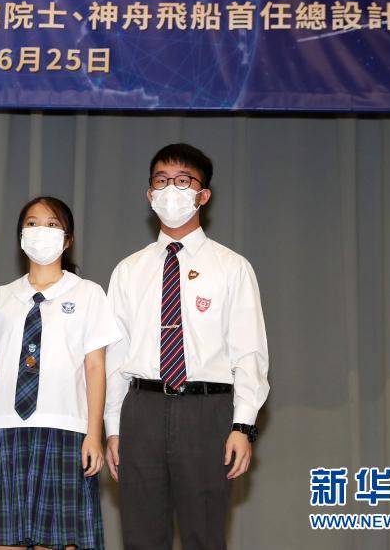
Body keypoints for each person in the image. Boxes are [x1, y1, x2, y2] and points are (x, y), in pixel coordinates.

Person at [103, 143, 269, 550]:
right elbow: (115, 357)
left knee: (204, 535)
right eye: (161, 181)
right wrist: (112, 428)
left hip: (207, 411)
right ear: (149, 194)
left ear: (203, 194)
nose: (171, 190)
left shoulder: (232, 267)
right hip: (141, 410)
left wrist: (242, 426)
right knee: (141, 536)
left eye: (183, 181)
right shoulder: (128, 270)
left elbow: (249, 351)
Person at [0, 196, 121, 550]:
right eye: (32, 223)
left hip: (65, 430)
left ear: (68, 239)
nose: (40, 231)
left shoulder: (88, 294)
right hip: (2, 431)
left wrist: (94, 434)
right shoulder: (0, 298)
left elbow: (96, 367)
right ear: (20, 235)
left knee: (58, 540)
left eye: (51, 224)